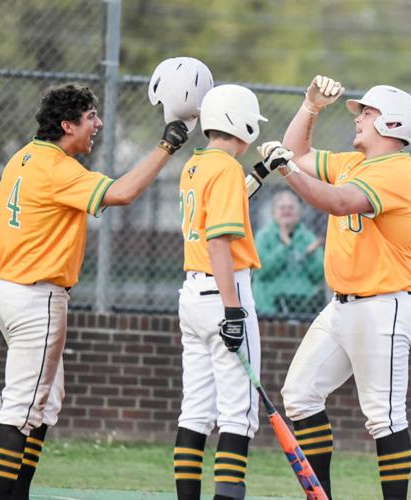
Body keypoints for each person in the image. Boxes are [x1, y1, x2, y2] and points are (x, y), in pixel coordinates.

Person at [0, 84, 188, 500]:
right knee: (22, 408)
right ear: (66, 124)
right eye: (90, 117)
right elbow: (123, 193)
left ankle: (17, 490)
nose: (97, 124)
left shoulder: (21, 158)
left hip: (10, 292)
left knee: (44, 403)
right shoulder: (59, 168)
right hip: (38, 299)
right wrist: (165, 147)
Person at [262, 75, 411, 500]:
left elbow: (335, 201)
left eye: (367, 114)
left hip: (383, 304)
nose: (359, 119)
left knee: (384, 418)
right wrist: (310, 107)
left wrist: (285, 169)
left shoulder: (396, 171)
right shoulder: (356, 163)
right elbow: (297, 151)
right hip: (343, 305)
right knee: (299, 395)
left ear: (391, 124)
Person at [172, 84, 269, 500]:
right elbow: (219, 242)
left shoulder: (195, 165)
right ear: (240, 121)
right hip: (224, 291)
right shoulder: (227, 169)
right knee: (238, 415)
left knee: (195, 411)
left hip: (192, 296)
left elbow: (222, 208)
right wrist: (233, 311)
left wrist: (259, 176)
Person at [253, 190, 325, 316]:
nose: (287, 211)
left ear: (300, 212)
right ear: (273, 212)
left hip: (303, 307)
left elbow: (319, 276)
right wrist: (283, 247)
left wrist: (310, 256)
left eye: (291, 207)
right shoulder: (263, 237)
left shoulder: (308, 238)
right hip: (269, 307)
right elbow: (261, 271)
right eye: (282, 208)